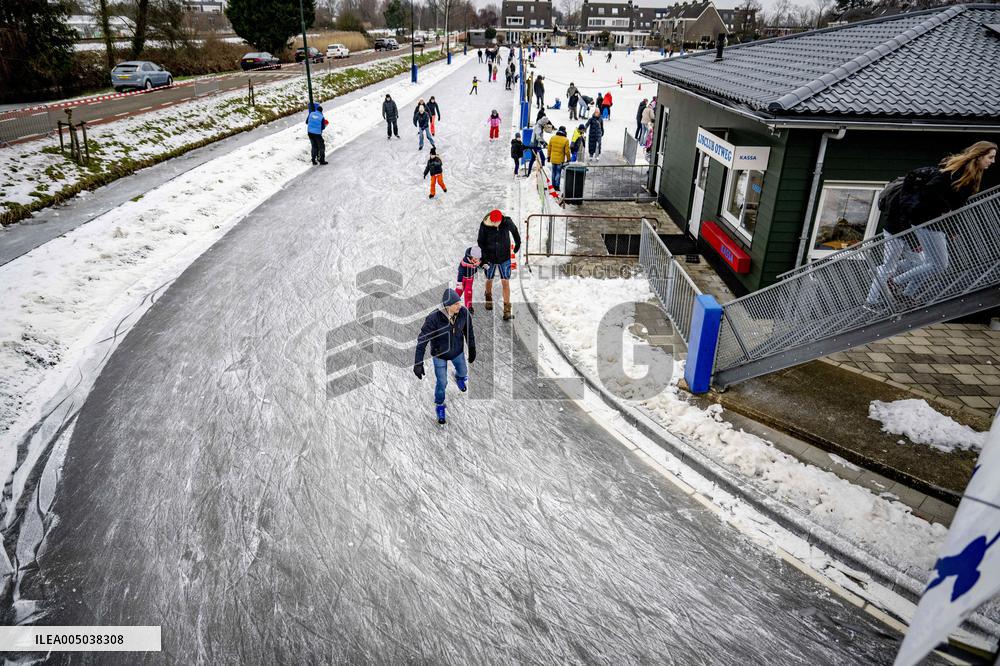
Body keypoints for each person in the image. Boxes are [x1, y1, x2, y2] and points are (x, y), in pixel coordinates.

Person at [868, 141, 996, 305]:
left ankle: (905, 293)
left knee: (927, 263)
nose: (992, 161)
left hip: (936, 224)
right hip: (929, 223)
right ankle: (895, 282)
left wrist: (952, 229)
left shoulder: (971, 174)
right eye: (990, 157)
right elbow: (930, 193)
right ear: (978, 156)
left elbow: (955, 207)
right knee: (939, 265)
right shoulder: (955, 172)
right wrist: (943, 208)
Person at [413, 288, 476, 425]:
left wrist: (472, 348)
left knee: (464, 372)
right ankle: (440, 405)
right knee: (442, 383)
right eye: (456, 304)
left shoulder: (463, 313)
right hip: (440, 355)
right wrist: (418, 363)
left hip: (457, 351)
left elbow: (469, 332)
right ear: (447, 306)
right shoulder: (433, 318)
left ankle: (459, 377)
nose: (460, 306)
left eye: (459, 303)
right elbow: (422, 340)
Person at [478, 209, 521, 321]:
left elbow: (515, 231)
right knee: (489, 278)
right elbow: (480, 242)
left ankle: (507, 310)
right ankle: (488, 297)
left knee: (505, 282)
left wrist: (518, 243)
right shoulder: (484, 225)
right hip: (490, 257)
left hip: (504, 257)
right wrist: (484, 259)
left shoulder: (507, 222)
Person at [455, 245, 485, 314]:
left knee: (468, 292)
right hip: (462, 278)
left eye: (477, 259)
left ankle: (469, 307)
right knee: (459, 291)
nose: (475, 260)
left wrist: (483, 265)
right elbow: (460, 271)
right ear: (471, 256)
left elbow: (482, 265)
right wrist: (459, 282)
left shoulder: (478, 261)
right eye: (474, 258)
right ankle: (452, 303)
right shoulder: (465, 261)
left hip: (470, 278)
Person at [547, 126, 571, 191]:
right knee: (558, 173)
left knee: (553, 172)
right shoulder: (565, 140)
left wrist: (548, 157)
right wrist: (568, 159)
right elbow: (567, 151)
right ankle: (556, 187)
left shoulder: (553, 138)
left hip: (553, 159)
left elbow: (549, 149)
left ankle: (553, 185)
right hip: (560, 160)